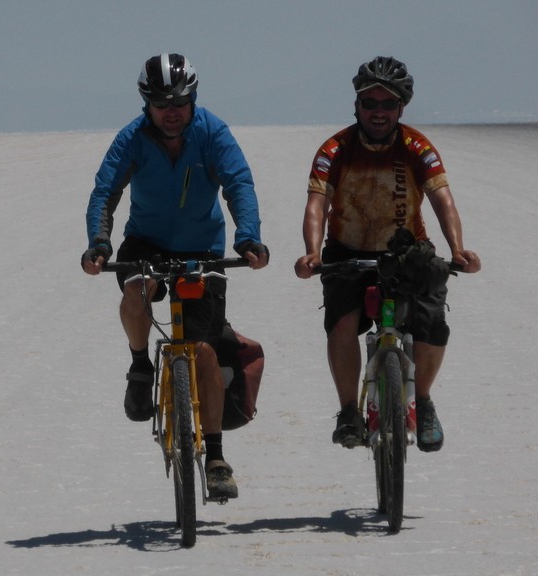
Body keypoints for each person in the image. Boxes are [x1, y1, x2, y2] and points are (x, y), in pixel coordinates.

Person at [82, 53, 269, 500]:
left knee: (203, 349)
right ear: (146, 102)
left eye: (180, 101)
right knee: (137, 288)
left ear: (193, 99)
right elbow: (105, 192)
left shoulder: (212, 132)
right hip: (145, 241)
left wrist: (249, 238)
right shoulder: (132, 138)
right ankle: (139, 364)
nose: (171, 110)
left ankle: (217, 457)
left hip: (201, 247)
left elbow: (238, 183)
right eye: (161, 101)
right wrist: (99, 243)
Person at [294, 56, 481, 452]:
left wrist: (458, 249)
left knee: (431, 321)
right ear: (356, 105)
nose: (378, 113)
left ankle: (424, 402)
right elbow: (316, 204)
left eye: (387, 105)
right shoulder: (335, 148)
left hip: (406, 252)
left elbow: (441, 199)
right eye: (369, 103)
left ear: (401, 108)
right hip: (348, 251)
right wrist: (312, 253)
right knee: (342, 324)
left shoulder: (417, 146)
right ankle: (348, 411)